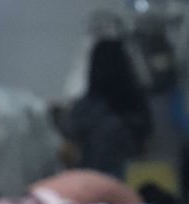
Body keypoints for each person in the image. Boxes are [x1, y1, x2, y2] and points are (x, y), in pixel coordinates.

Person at [59, 38, 152, 179]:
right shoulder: (135, 106)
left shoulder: (86, 107)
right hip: (125, 183)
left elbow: (68, 140)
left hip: (87, 182)